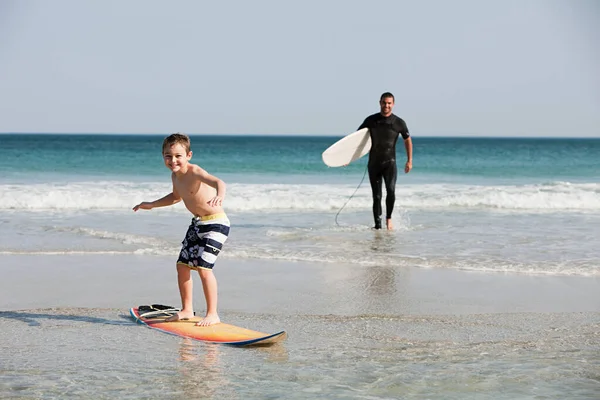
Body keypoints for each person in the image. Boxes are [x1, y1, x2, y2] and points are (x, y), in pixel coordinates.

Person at [133, 133, 230, 326]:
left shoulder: (195, 172)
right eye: (168, 156)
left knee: (203, 268)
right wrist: (151, 204)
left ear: (189, 155)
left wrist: (220, 195)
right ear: (163, 157)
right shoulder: (175, 176)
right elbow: (175, 197)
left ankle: (212, 314)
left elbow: (219, 182)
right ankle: (186, 309)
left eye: (178, 155)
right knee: (182, 266)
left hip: (216, 224)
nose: (173, 160)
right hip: (197, 224)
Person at [358, 92, 412, 230]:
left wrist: (409, 160)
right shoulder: (371, 120)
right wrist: (347, 157)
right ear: (380, 102)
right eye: (384, 102)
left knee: (391, 191)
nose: (386, 105)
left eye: (389, 103)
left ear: (393, 104)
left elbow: (407, 140)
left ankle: (388, 219)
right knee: (376, 196)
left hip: (390, 163)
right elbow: (357, 139)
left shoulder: (399, 122)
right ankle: (377, 226)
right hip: (374, 164)